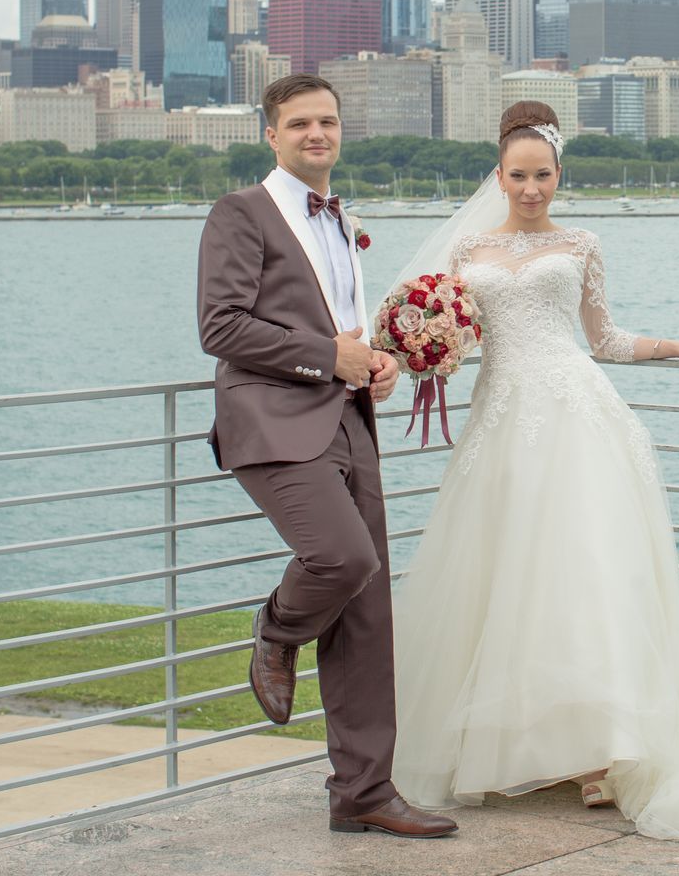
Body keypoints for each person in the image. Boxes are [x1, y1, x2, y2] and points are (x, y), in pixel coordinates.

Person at [388, 100, 679, 839]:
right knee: (510, 578)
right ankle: (532, 747)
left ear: (558, 174)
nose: (532, 188)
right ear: (500, 176)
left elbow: (603, 340)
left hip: (578, 417)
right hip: (500, 423)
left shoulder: (580, 244)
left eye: (543, 175)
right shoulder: (465, 251)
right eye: (519, 176)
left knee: (590, 574)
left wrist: (677, 346)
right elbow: (455, 335)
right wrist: (422, 350)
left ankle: (605, 755)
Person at [196, 73, 458, 840]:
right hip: (273, 423)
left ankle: (363, 793)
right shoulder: (240, 213)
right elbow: (221, 327)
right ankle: (276, 632)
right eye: (301, 123)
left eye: (329, 122)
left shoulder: (338, 218)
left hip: (350, 420)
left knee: (368, 613)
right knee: (340, 560)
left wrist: (372, 360)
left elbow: (340, 327)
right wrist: (329, 359)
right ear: (270, 135)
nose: (318, 134)